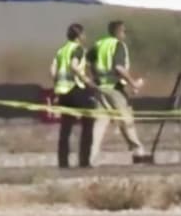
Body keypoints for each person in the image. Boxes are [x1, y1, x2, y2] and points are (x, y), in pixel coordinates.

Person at [88, 20, 150, 165]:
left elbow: (89, 62)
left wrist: (95, 78)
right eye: (124, 31)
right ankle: (138, 151)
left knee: (100, 122)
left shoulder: (99, 44)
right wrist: (133, 83)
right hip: (114, 88)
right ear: (118, 31)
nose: (125, 34)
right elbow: (119, 67)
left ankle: (92, 155)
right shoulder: (118, 45)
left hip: (100, 87)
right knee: (126, 119)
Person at [51, 22, 94, 168]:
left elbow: (52, 71)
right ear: (79, 36)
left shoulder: (61, 50)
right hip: (76, 89)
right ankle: (84, 161)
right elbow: (74, 66)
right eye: (83, 34)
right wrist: (87, 81)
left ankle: (63, 162)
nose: (85, 36)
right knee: (88, 123)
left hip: (63, 92)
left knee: (65, 128)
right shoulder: (78, 49)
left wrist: (57, 86)